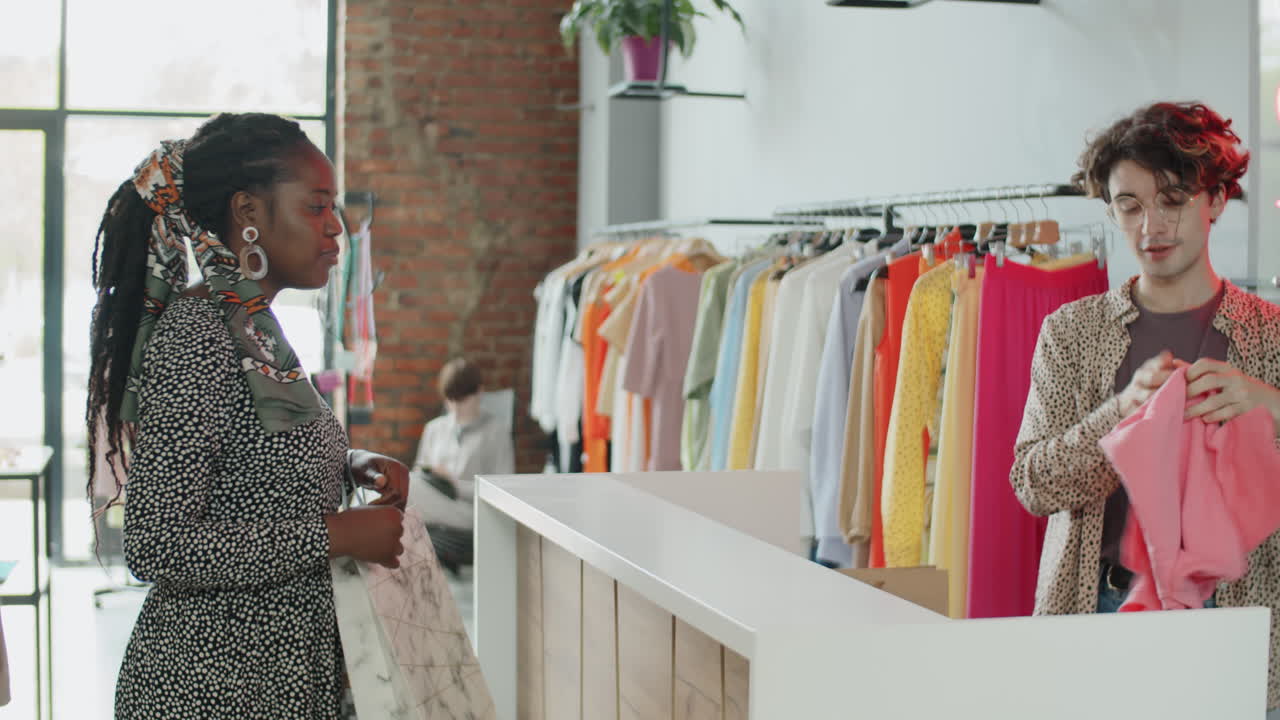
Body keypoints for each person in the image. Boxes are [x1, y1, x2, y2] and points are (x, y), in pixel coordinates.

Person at [86, 112, 410, 718]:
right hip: (211, 685)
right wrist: (334, 533)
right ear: (248, 213)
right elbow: (156, 544)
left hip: (276, 677)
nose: (336, 227)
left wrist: (353, 465)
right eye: (316, 206)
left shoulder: (255, 329)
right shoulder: (201, 331)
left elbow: (252, 473)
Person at [1011, 101, 1280, 713]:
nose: (1151, 224)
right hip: (1101, 614)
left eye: (1173, 199)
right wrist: (1120, 416)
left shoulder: (1270, 339)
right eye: (1129, 205)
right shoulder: (1072, 333)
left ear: (1215, 201)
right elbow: (1031, 483)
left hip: (1241, 623)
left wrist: (1272, 407)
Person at [409, 358, 515, 569]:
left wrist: (455, 485)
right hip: (436, 502)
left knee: (403, 490)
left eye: (462, 400)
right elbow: (419, 473)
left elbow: (504, 491)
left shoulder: (496, 432)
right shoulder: (434, 429)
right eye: (451, 401)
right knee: (402, 489)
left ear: (479, 393)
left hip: (471, 511)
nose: (456, 408)